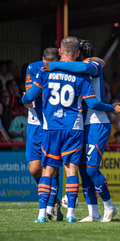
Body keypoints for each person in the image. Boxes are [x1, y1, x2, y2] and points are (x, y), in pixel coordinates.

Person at [22, 36, 120, 223]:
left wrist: (55, 66)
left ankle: (108, 206)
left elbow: (29, 97)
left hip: (93, 123)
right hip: (77, 126)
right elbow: (89, 97)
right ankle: (90, 213)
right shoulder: (78, 73)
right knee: (79, 170)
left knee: (83, 169)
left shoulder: (90, 67)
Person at [24, 48, 63, 221]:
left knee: (52, 169)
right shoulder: (34, 68)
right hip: (34, 122)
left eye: (55, 62)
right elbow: (29, 90)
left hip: (51, 123)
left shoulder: (63, 69)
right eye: (49, 62)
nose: (51, 65)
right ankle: (50, 199)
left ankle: (50, 205)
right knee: (34, 169)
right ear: (43, 60)